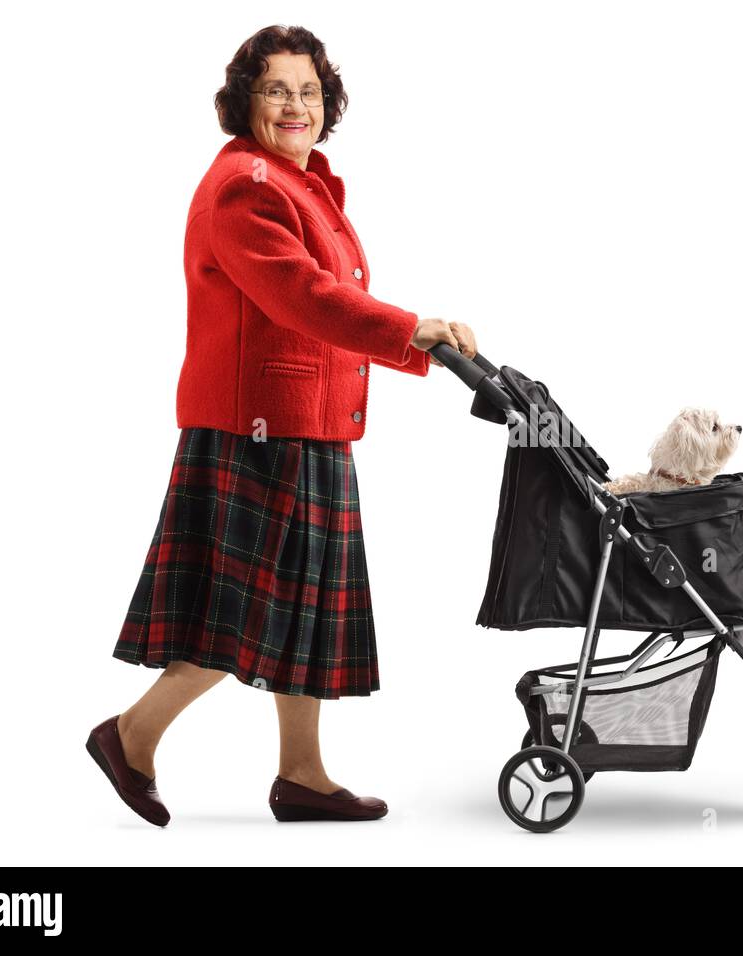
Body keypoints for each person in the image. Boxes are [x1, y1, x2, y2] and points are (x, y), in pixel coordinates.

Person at [85, 23, 477, 826]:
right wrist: (414, 331)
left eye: (309, 91)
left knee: (301, 609)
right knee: (241, 613)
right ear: (244, 100)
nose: (296, 105)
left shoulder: (304, 182)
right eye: (276, 90)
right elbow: (303, 295)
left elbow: (322, 305)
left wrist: (412, 344)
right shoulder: (247, 185)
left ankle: (301, 773)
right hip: (256, 427)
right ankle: (129, 735)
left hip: (311, 423)